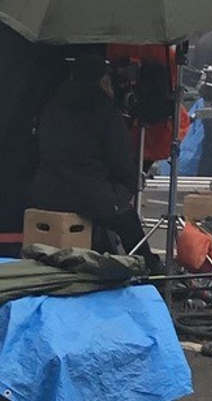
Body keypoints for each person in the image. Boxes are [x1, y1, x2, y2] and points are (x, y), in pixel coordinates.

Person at [30, 54, 163, 273]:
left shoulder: (50, 105)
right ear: (104, 81)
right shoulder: (105, 111)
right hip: (88, 196)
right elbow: (122, 165)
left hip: (45, 192)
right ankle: (151, 274)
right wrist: (120, 195)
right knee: (126, 219)